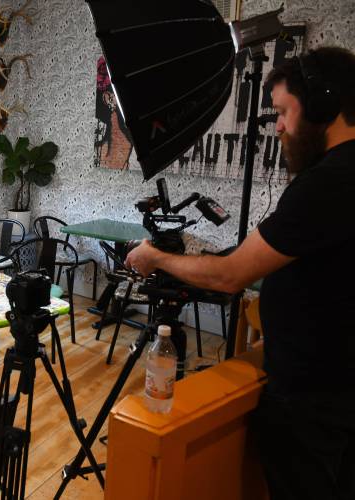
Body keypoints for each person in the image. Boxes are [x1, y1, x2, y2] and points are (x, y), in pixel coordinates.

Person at [125, 46, 355, 500]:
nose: (281, 127)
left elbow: (230, 275)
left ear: (325, 106)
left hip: (315, 405)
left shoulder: (329, 182)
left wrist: (156, 258)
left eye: (285, 112)